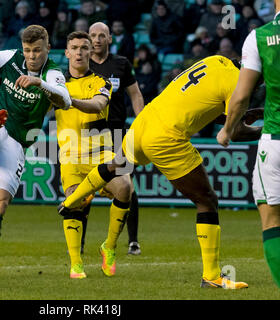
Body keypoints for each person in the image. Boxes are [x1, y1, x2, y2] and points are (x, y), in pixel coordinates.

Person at [59, 55, 264, 289]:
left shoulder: (215, 61)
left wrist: (239, 114)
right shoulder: (239, 84)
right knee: (206, 200)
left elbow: (203, 100)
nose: (258, 84)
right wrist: (268, 128)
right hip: (166, 136)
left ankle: (70, 201)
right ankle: (212, 276)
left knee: (117, 164)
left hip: (146, 120)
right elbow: (235, 133)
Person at [0, 24, 71, 281]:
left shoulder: (53, 72)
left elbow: (64, 99)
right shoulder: (12, 57)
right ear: (23, 48)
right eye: (28, 50)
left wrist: (39, 82)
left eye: (38, 51)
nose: (32, 56)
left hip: (16, 144)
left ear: (48, 48)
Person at [56, 30, 133, 278]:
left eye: (84, 48)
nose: (79, 52)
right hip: (70, 157)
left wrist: (68, 100)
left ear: (91, 52)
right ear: (67, 53)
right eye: (74, 48)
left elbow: (98, 105)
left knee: (125, 187)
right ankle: (76, 263)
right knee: (74, 202)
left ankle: (109, 246)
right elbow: (36, 110)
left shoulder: (102, 82)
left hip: (100, 154)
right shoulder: (57, 85)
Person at [217, 1, 280, 288]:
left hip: (276, 140)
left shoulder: (260, 37)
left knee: (271, 219)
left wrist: (228, 130)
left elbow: (241, 97)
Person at [79, 22, 144, 255]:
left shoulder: (121, 64)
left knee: (127, 186)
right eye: (93, 36)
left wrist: (141, 121)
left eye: (101, 36)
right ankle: (81, 242)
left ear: (109, 39)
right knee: (86, 190)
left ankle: (132, 241)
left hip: (117, 133)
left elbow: (135, 94)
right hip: (89, 133)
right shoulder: (80, 64)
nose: (97, 39)